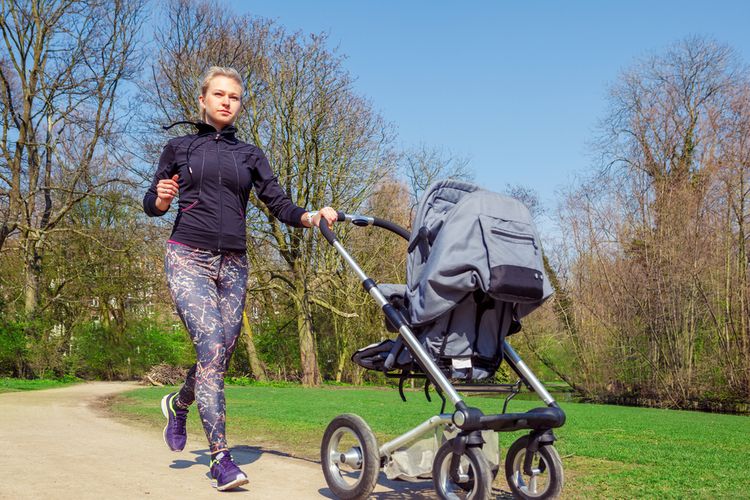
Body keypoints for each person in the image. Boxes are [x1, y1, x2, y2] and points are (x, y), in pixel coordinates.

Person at [143, 66, 338, 492]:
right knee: (211, 345)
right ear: (202, 99)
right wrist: (158, 199)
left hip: (234, 264)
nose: (226, 101)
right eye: (218, 94)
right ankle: (220, 459)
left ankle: (179, 403)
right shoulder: (179, 146)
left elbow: (279, 204)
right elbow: (153, 202)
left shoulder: (249, 155)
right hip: (187, 257)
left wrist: (310, 216)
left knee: (220, 354)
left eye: (233, 96)